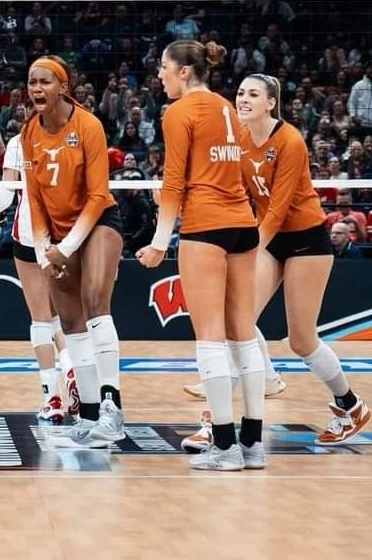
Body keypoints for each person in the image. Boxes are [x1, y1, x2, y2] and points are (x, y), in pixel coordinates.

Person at [183, 74, 369, 449]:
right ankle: (214, 422)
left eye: (253, 94)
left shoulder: (289, 140)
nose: (244, 99)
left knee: (301, 340)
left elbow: (279, 209)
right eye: (240, 93)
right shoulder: (234, 137)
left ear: (271, 102)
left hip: (305, 241)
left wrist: (248, 250)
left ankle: (350, 405)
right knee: (237, 325)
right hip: (266, 238)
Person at [137, 40, 265, 472]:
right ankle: (252, 444)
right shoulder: (228, 106)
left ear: (185, 72)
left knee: (210, 337)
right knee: (243, 335)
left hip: (205, 225)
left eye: (163, 68)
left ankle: (225, 448)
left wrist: (158, 241)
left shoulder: (179, 112)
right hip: (242, 224)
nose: (160, 75)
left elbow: (174, 182)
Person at [21, 56, 124, 446]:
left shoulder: (88, 126)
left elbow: (98, 196)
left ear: (63, 87)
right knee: (70, 324)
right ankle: (92, 414)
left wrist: (66, 248)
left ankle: (114, 407)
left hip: (98, 222)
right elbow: (33, 199)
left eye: (44, 81)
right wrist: (46, 249)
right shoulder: (29, 131)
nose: (36, 89)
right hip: (57, 235)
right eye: (32, 82)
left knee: (96, 302)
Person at [0, 108, 78, 422]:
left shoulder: (17, 142)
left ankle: (51, 398)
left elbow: (5, 195)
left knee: (41, 319)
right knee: (61, 316)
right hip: (64, 237)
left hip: (30, 236)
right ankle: (71, 370)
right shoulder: (71, 138)